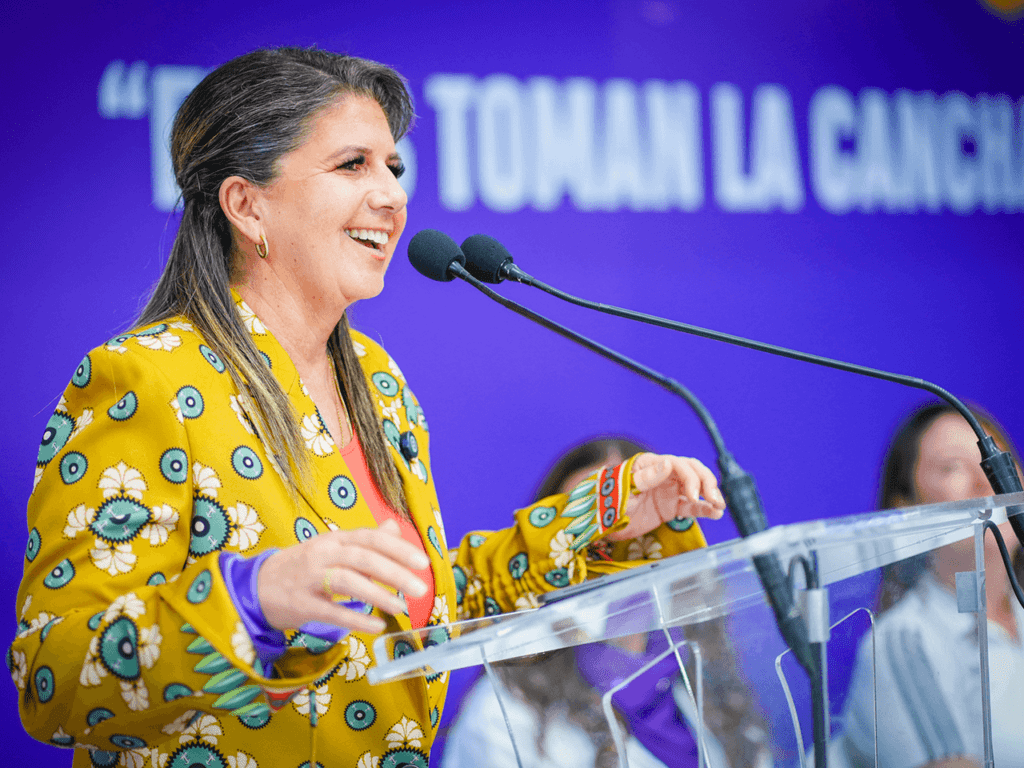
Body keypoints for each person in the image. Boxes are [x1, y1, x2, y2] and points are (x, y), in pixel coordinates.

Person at [10, 47, 727, 767]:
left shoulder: (378, 383)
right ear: (245, 203)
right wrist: (251, 600)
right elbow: (51, 676)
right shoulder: (146, 377)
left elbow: (422, 607)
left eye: (394, 167)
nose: (392, 195)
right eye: (353, 164)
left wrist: (602, 514)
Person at [443, 438, 772, 768]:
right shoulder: (502, 715)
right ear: (546, 555)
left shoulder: (707, 687)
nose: (614, 558)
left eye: (641, 533)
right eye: (587, 535)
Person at [837, 403, 1024, 768]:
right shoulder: (902, 641)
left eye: (998, 461)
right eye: (952, 467)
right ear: (906, 508)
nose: (986, 481)